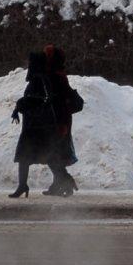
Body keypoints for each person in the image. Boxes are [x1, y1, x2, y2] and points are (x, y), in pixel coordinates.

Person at [10, 52, 56, 198]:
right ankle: (23, 185)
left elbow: (35, 100)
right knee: (47, 156)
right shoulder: (42, 79)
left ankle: (23, 186)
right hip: (38, 126)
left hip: (35, 128)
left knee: (27, 157)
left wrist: (20, 104)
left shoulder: (38, 79)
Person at [39, 44, 82, 196]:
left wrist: (62, 124)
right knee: (54, 153)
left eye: (47, 54)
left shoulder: (55, 76)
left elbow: (61, 101)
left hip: (58, 120)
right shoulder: (55, 73)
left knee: (51, 153)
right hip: (55, 119)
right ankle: (59, 185)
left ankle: (66, 180)